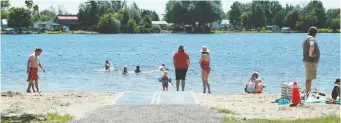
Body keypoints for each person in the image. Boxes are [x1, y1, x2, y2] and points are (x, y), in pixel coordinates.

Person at [302, 26, 320, 99]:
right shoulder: (311, 38)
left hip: (309, 61)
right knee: (309, 79)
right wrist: (310, 54)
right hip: (310, 61)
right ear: (314, 33)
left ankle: (308, 92)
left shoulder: (306, 38)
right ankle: (307, 94)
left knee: (309, 78)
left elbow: (302, 45)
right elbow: (312, 45)